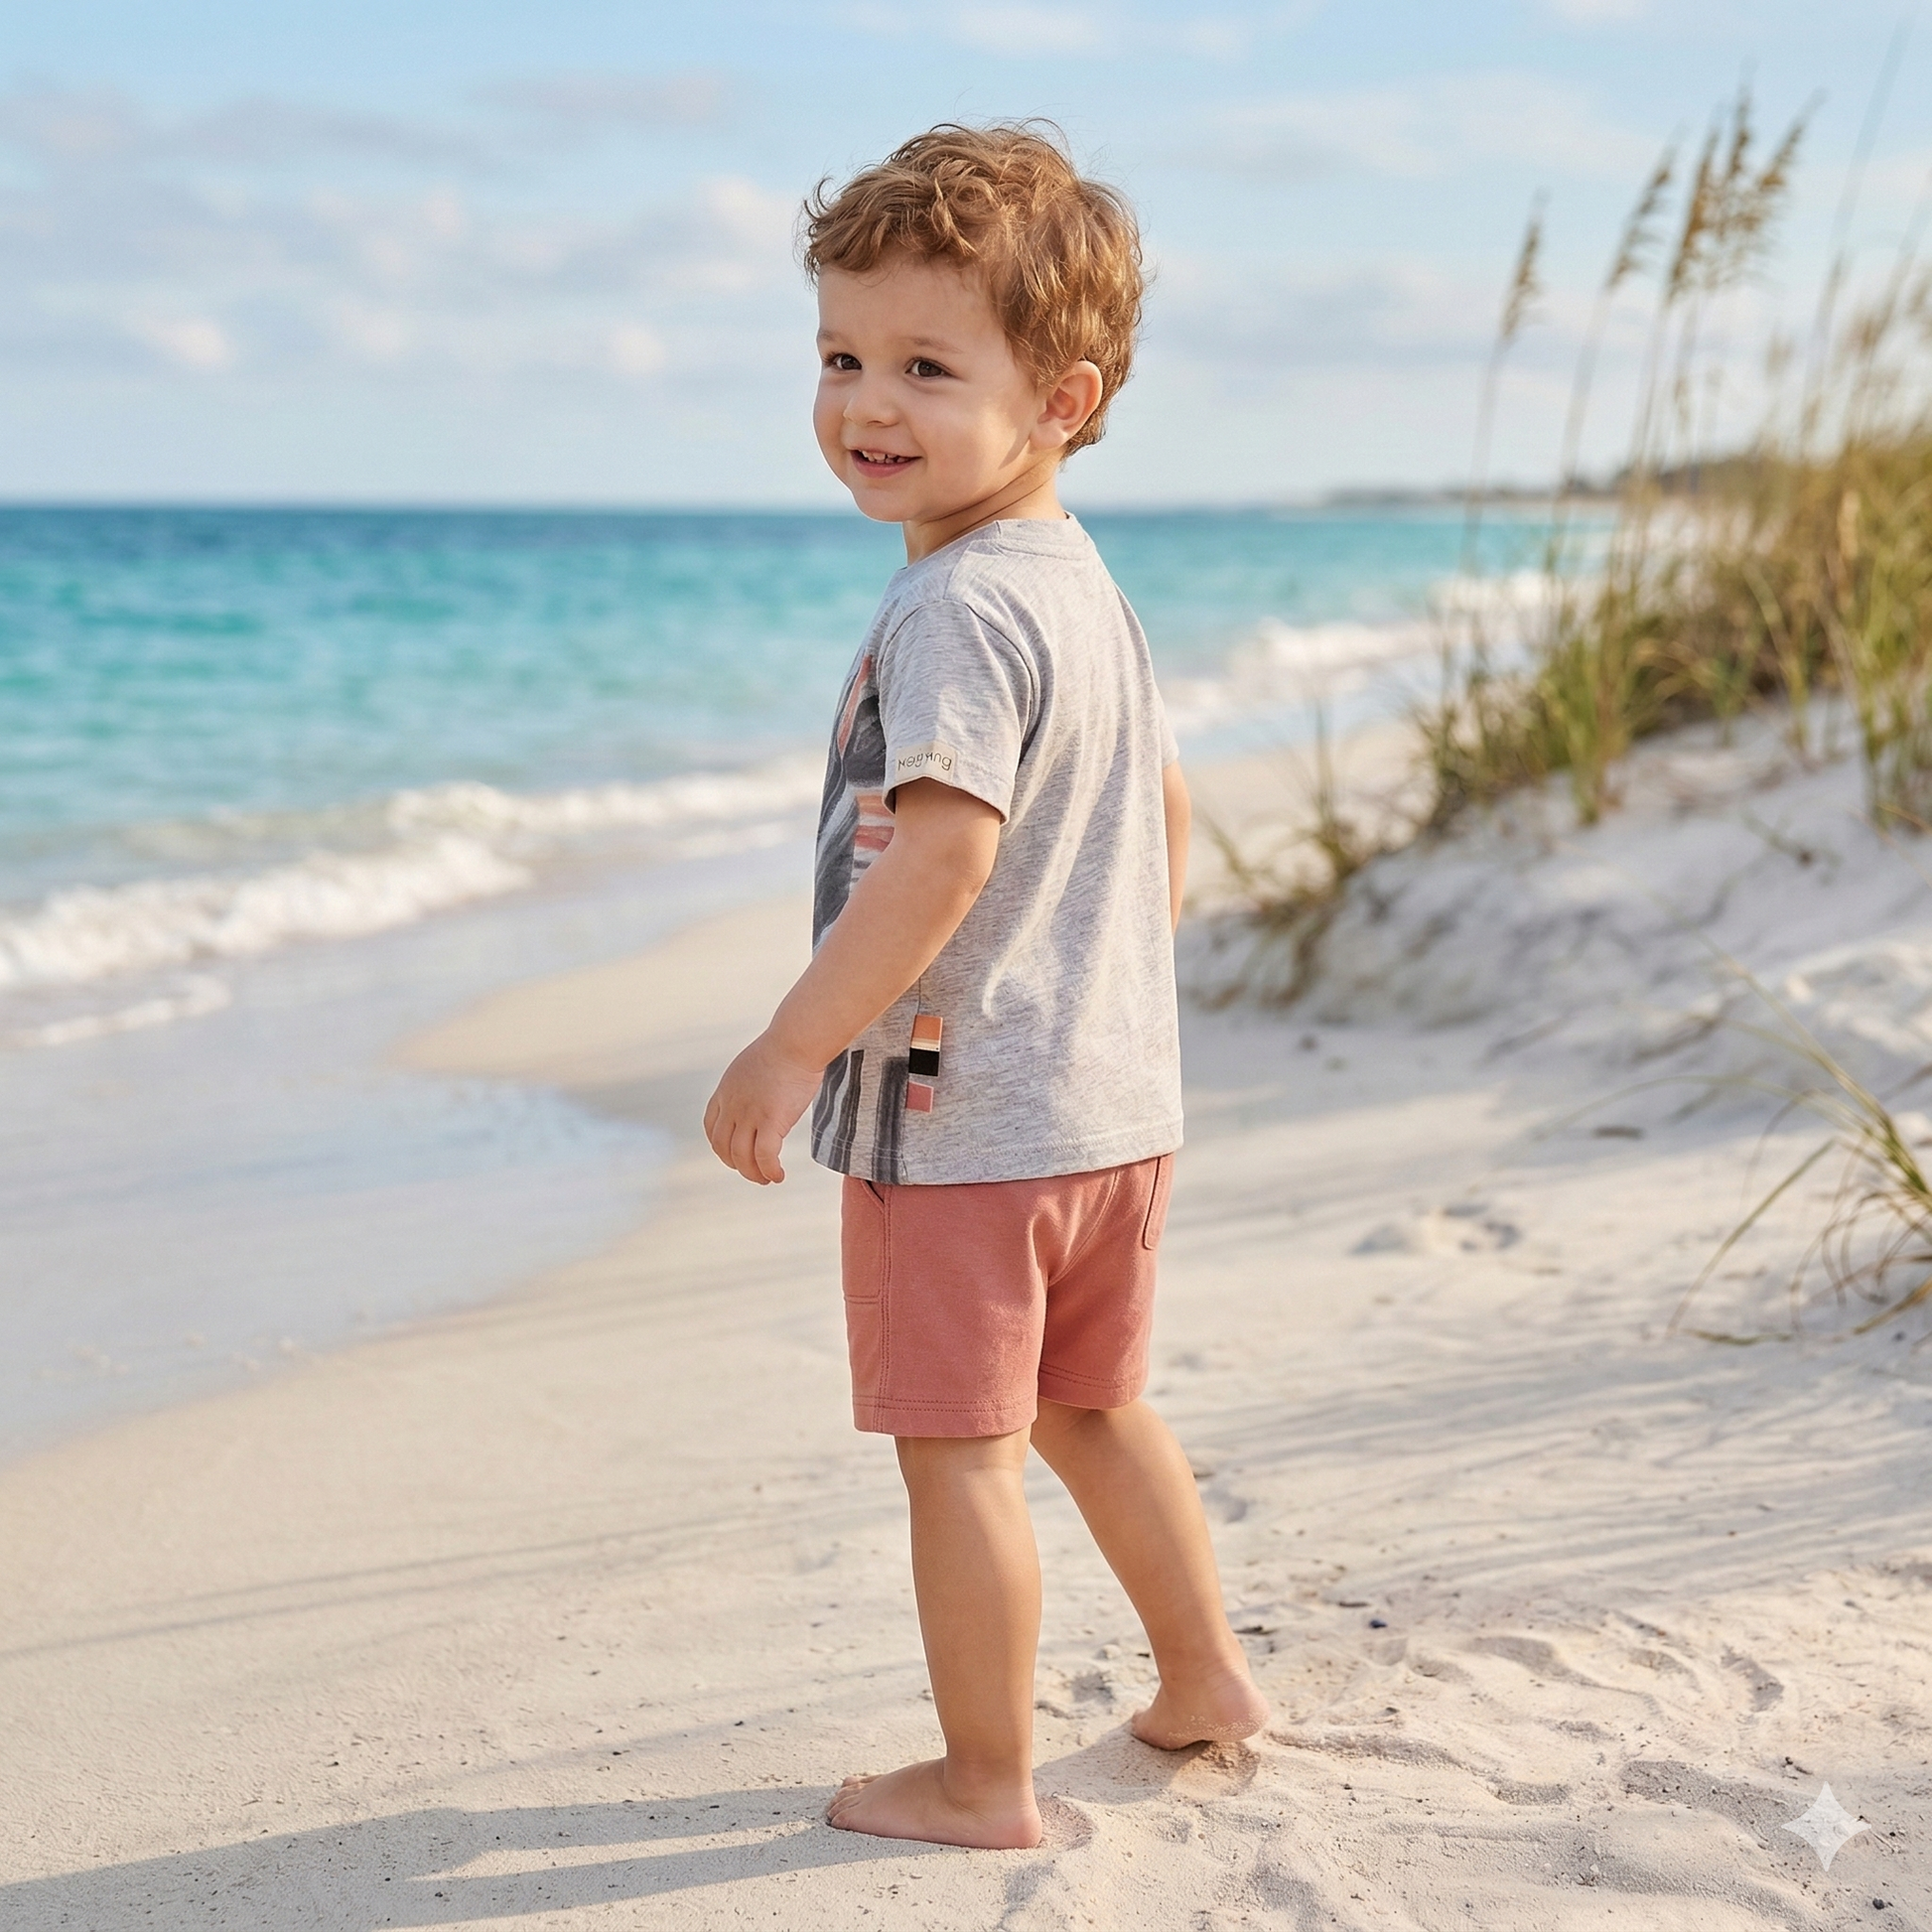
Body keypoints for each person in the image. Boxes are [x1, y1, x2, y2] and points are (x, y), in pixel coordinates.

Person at [703, 122, 1268, 1852]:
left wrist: (793, 1042)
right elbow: (1160, 806)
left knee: (957, 1446)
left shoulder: (953, 608)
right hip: (1108, 1109)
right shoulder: (1081, 584)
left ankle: (982, 1777)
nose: (867, 400)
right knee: (1092, 1405)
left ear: (1063, 395)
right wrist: (1102, 995)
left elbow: (937, 857)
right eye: (841, 355)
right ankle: (1205, 1684)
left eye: (927, 366)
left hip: (962, 1127)